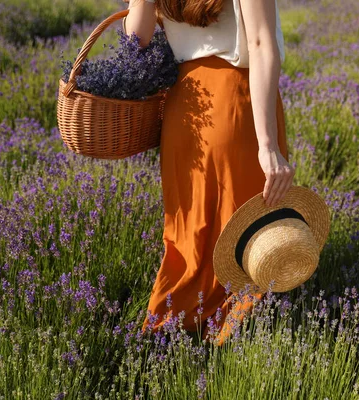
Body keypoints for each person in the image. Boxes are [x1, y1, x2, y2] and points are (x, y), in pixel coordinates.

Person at [122, 0, 294, 345]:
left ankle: (168, 338)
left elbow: (135, 40)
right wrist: (267, 145)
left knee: (190, 236)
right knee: (248, 233)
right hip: (238, 103)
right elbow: (260, 44)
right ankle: (237, 340)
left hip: (184, 110)